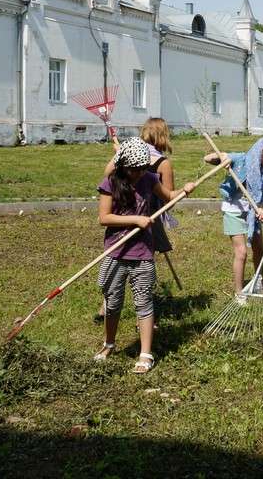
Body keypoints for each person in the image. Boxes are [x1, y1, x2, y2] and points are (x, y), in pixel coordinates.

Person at [94, 137, 195, 373]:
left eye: (142, 169)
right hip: (116, 251)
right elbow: (104, 218)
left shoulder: (149, 178)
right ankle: (109, 343)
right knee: (112, 302)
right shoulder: (110, 183)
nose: (139, 174)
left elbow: (168, 196)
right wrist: (135, 220)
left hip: (142, 253)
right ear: (123, 166)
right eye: (135, 170)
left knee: (144, 301)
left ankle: (145, 353)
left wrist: (185, 190)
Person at [97, 118, 177, 323]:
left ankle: (120, 304)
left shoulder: (131, 155)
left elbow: (106, 174)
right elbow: (169, 199)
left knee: (130, 258)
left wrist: (118, 155)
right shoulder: (162, 162)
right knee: (134, 258)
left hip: (134, 215)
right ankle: (124, 300)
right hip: (148, 216)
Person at [203, 137, 263, 299]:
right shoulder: (241, 159)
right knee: (242, 252)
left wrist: (260, 209)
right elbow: (207, 158)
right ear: (260, 152)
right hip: (234, 211)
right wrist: (223, 158)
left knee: (259, 247)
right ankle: (239, 292)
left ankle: (259, 282)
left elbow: (259, 197)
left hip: (252, 213)